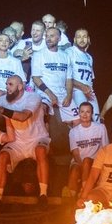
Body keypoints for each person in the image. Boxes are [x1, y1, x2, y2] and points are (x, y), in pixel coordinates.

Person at [0, 75, 51, 207]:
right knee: (2, 156)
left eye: (10, 84)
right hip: (18, 142)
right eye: (6, 84)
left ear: (20, 86)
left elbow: (23, 116)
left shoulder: (33, 97)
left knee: (40, 150)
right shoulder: (4, 99)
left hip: (37, 138)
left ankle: (43, 195)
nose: (7, 87)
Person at [30, 26, 73, 154]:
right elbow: (36, 78)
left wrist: (69, 95)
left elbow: (69, 79)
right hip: (45, 93)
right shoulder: (39, 55)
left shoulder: (65, 56)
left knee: (78, 119)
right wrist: (50, 94)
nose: (49, 39)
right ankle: (47, 148)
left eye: (52, 36)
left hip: (63, 93)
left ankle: (74, 151)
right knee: (43, 110)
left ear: (59, 38)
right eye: (47, 36)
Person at [65, 101, 109, 197]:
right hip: (79, 161)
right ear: (79, 113)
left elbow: (105, 149)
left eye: (88, 112)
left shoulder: (101, 128)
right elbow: (76, 154)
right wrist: (83, 168)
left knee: (87, 161)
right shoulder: (73, 131)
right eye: (82, 112)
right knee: (75, 172)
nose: (85, 114)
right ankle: (71, 201)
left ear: (92, 114)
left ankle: (84, 193)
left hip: (95, 162)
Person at [66, 27, 98, 123]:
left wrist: (87, 88)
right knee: (84, 120)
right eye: (79, 37)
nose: (82, 39)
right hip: (77, 91)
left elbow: (90, 78)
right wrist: (81, 86)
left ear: (88, 39)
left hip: (89, 91)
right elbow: (64, 76)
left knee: (96, 120)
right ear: (74, 39)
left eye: (84, 37)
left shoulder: (89, 57)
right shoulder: (69, 52)